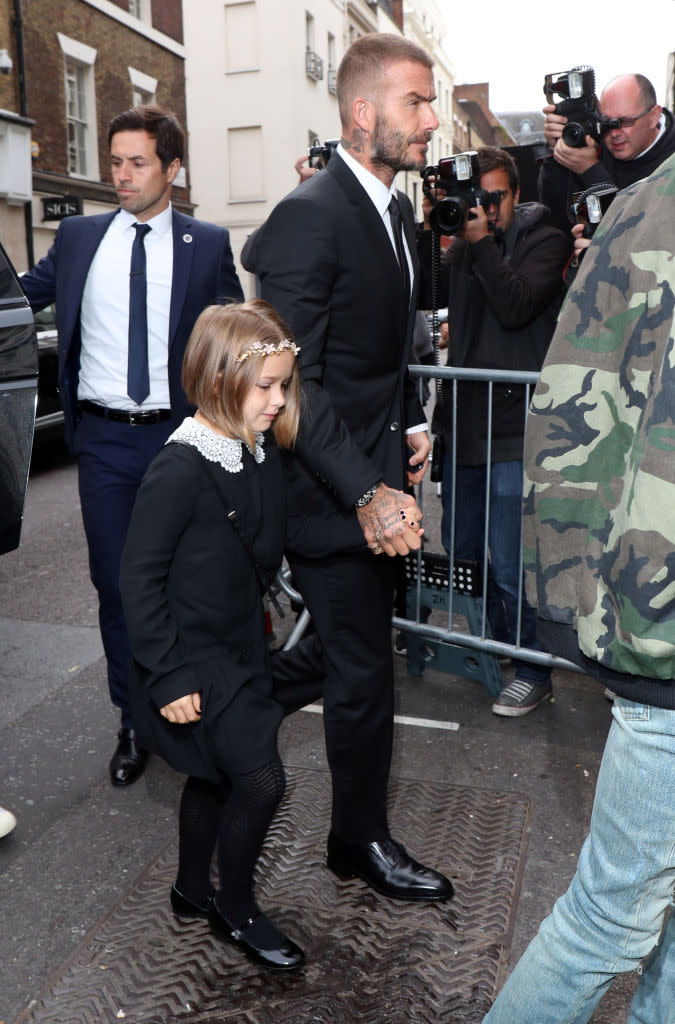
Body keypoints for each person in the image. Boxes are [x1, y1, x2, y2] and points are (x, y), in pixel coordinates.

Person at [244, 33, 454, 903]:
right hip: (329, 493)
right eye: (414, 102)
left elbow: (382, 352)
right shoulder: (313, 212)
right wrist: (365, 490)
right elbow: (295, 379)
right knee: (364, 674)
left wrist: (407, 421)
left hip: (376, 478)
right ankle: (357, 842)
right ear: (362, 113)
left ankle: (227, 700)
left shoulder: (393, 211)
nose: (431, 120)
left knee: (345, 658)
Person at [482, 151, 675, 1024]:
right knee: (609, 918)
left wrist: (573, 591)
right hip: (662, 630)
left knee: (626, 914)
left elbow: (570, 390)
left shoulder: (643, 200)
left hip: (641, 604)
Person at [21, 105, 243, 787]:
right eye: (114, 161)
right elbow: (19, 297)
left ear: (172, 170)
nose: (120, 174)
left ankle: (194, 707)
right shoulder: (81, 237)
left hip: (180, 443)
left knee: (185, 585)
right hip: (107, 444)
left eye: (136, 162)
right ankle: (133, 718)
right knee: (118, 586)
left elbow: (233, 337)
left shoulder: (205, 245)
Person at [119, 299, 305, 972]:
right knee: (259, 783)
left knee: (213, 776)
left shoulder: (252, 449)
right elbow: (137, 580)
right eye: (266, 387)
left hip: (241, 648)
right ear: (220, 380)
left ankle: (191, 889)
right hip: (195, 661)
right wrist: (168, 676)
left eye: (284, 385)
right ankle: (236, 907)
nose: (278, 400)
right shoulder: (179, 468)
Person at [418, 146, 571, 716]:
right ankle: (501, 643)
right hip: (463, 426)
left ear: (515, 193)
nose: (482, 207)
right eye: (472, 197)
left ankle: (535, 667)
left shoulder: (544, 239)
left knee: (512, 562)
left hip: (513, 429)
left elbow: (515, 306)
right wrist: (435, 221)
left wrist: (478, 244)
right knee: (463, 551)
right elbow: (424, 299)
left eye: (494, 196)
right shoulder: (460, 242)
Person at [539, 73, 675, 237]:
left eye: (624, 122)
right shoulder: (594, 141)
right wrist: (556, 151)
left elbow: (647, 236)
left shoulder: (670, 162)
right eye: (606, 122)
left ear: (654, 116)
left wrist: (591, 171)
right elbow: (556, 219)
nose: (614, 133)